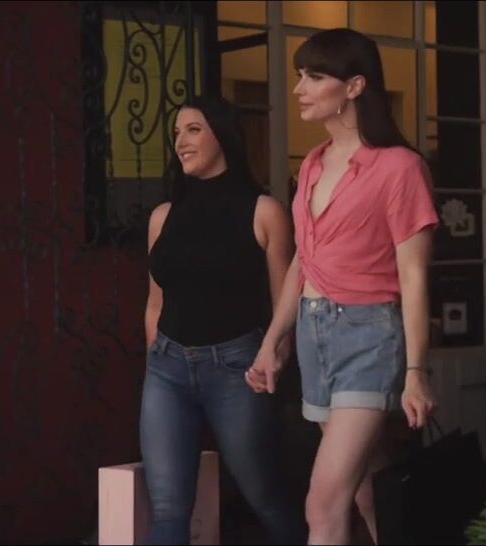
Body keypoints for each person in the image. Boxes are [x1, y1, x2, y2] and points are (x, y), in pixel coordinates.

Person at [247, 28, 439, 545]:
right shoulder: (312, 164)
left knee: (323, 501)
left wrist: (416, 371)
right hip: (314, 336)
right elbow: (303, 263)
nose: (299, 89)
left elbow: (414, 275)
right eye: (300, 76)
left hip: (368, 335)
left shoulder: (400, 167)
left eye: (314, 77)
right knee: (364, 490)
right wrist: (273, 340)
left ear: (354, 86)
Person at [141, 94, 306, 545]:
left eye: (193, 129)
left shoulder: (264, 211)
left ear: (223, 136)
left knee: (267, 498)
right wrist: (156, 355)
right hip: (167, 371)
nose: (181, 140)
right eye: (177, 132)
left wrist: (274, 360)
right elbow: (154, 303)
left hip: (237, 368)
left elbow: (285, 304)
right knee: (168, 511)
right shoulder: (162, 217)